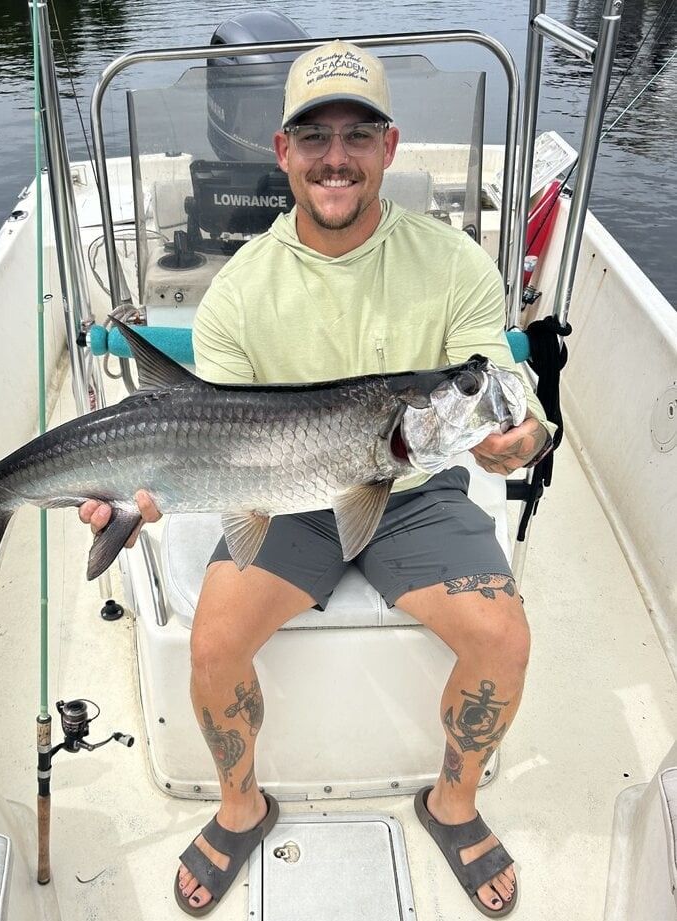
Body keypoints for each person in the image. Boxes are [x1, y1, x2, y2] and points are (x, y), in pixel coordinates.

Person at [81, 39, 554, 918]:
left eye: (357, 135)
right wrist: (146, 493)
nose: (335, 158)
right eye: (315, 137)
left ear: (390, 147)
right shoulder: (239, 291)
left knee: (505, 638)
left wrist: (517, 436)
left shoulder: (450, 262)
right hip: (279, 495)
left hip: (413, 492)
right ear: (283, 154)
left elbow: (495, 382)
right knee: (213, 643)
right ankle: (239, 804)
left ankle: (452, 801)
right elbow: (206, 436)